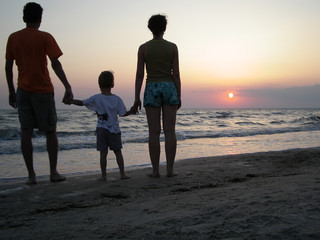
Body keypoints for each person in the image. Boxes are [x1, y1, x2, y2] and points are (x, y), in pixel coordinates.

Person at [5, 2, 73, 185]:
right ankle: (53, 172)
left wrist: (12, 91)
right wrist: (67, 85)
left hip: (23, 90)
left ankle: (31, 175)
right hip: (42, 90)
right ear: (40, 19)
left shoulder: (13, 37)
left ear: (23, 18)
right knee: (50, 131)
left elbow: (8, 67)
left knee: (25, 131)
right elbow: (55, 63)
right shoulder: (45, 37)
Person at [132, 14, 181, 178]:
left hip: (151, 87)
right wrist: (178, 94)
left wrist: (136, 97)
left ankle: (155, 171)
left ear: (150, 28)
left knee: (153, 132)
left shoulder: (143, 48)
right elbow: (176, 74)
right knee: (170, 131)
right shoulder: (173, 47)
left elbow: (139, 75)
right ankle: (170, 170)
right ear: (164, 28)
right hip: (169, 87)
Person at [68, 71, 132, 181]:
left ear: (99, 84)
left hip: (101, 129)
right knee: (118, 152)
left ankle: (103, 175)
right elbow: (123, 113)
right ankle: (122, 173)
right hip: (114, 130)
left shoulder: (96, 98)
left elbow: (82, 102)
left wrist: (71, 101)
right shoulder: (117, 99)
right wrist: (132, 111)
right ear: (112, 84)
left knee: (103, 153)